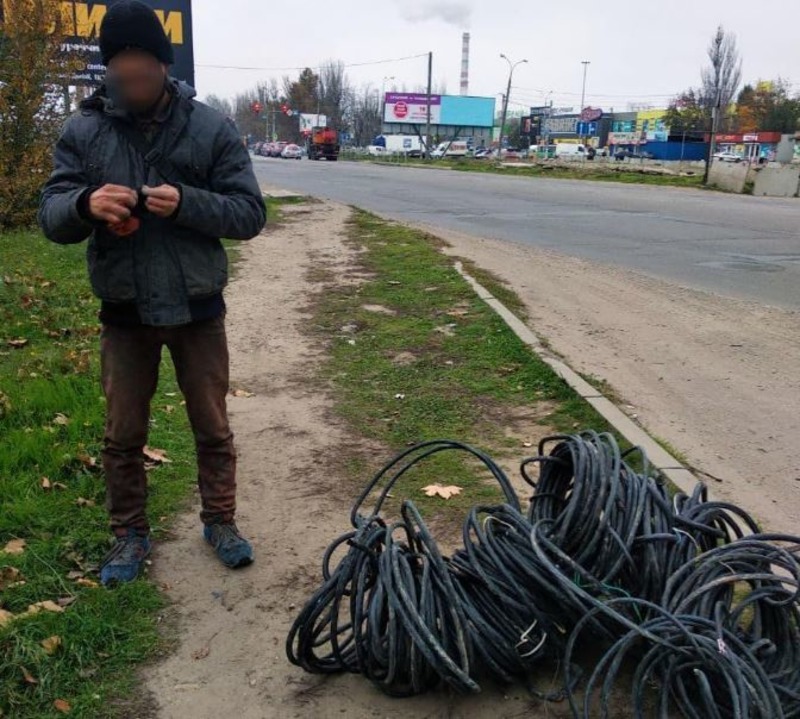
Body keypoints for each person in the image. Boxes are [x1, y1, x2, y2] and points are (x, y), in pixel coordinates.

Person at [38, 0, 267, 585]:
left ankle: (220, 521)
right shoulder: (83, 130)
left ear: (163, 65)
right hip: (125, 311)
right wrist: (86, 205)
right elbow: (51, 214)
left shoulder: (210, 127)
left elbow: (249, 214)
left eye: (141, 59)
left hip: (197, 311)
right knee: (122, 435)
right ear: (108, 66)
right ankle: (129, 536)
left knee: (212, 426)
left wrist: (189, 203)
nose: (131, 71)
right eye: (119, 60)